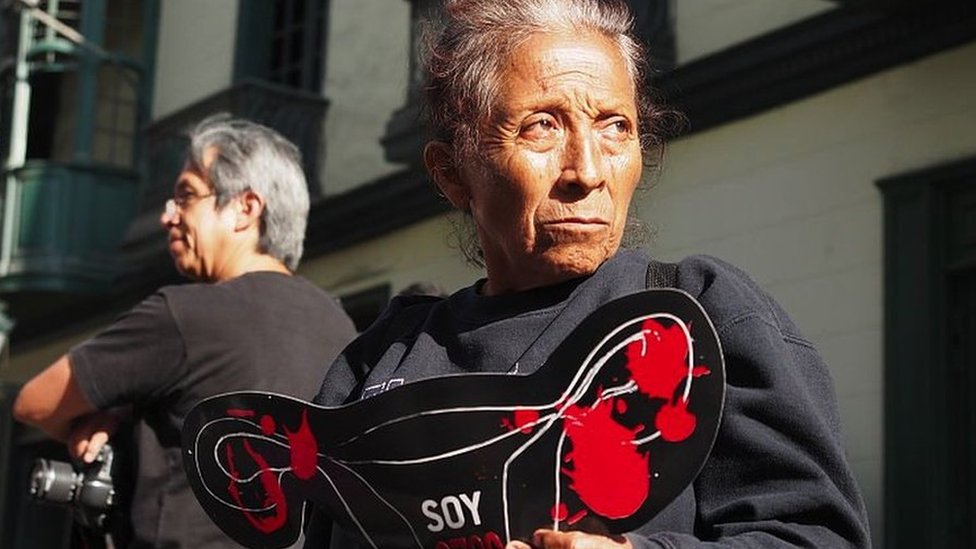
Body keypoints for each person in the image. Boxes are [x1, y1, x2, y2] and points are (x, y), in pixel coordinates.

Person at [306, 0, 872, 548]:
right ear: (453, 172)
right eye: (542, 126)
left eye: (615, 126)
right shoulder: (381, 360)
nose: (588, 170)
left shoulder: (702, 319)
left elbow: (814, 536)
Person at [13, 116, 358, 548]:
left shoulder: (184, 314)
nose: (166, 217)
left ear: (245, 209)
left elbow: (35, 402)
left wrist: (105, 418)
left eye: (186, 196)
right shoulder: (340, 326)